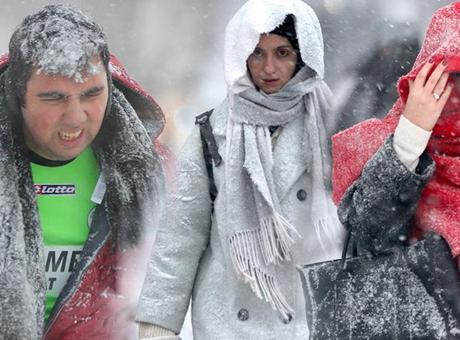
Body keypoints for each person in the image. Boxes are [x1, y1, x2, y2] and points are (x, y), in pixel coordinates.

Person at [136, 0, 344, 338]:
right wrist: (158, 327)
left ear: (303, 55)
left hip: (307, 324)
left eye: (282, 52)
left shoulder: (331, 126)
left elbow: (363, 217)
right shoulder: (211, 134)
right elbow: (179, 239)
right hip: (228, 325)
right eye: (257, 52)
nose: (269, 67)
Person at [0, 5, 166, 340]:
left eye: (92, 93)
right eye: (54, 98)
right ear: (18, 95)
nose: (76, 117)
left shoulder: (150, 170)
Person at [331, 2, 460, 337]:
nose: (453, 99)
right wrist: (410, 135)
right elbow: (370, 229)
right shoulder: (401, 145)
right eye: (448, 81)